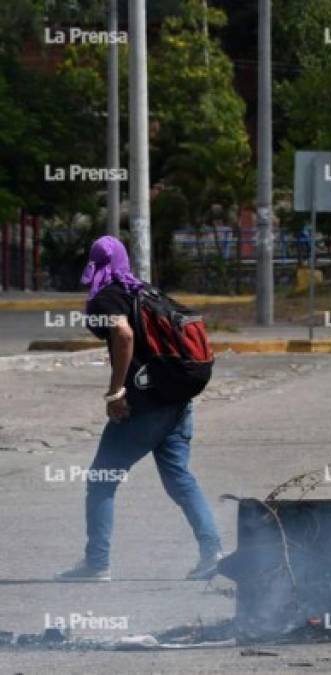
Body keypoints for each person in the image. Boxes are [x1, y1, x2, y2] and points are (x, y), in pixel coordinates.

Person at [56, 236, 222, 582]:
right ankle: (213, 551)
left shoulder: (105, 298)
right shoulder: (145, 290)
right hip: (176, 399)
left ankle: (97, 564)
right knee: (180, 478)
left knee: (101, 480)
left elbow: (124, 334)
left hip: (145, 406)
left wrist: (116, 392)